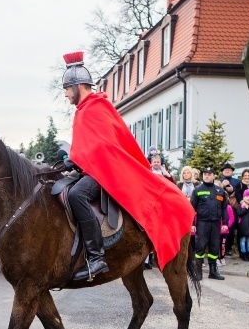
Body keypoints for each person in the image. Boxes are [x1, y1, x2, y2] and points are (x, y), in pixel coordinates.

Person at [61, 51, 193, 281]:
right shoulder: (84, 110)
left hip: (104, 170)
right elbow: (90, 144)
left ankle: (96, 258)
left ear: (78, 86)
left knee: (76, 195)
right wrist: (74, 158)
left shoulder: (96, 107)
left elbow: (104, 146)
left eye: (67, 89)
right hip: (92, 167)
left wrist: (79, 158)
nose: (65, 95)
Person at [190, 167, 229, 280]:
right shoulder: (197, 190)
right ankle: (198, 272)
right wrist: (192, 224)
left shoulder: (220, 191)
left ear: (213, 176)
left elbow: (224, 208)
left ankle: (213, 272)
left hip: (216, 223)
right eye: (205, 174)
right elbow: (192, 208)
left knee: (214, 247)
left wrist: (225, 223)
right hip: (202, 223)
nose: (207, 176)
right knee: (200, 248)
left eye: (209, 174)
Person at [219, 163, 241, 256]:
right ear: (222, 172)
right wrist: (222, 186)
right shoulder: (219, 181)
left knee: (231, 228)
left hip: (233, 208)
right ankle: (220, 247)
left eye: (229, 170)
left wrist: (232, 190)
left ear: (232, 171)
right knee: (221, 228)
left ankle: (229, 248)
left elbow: (240, 193)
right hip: (221, 208)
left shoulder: (237, 181)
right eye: (225, 170)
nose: (227, 171)